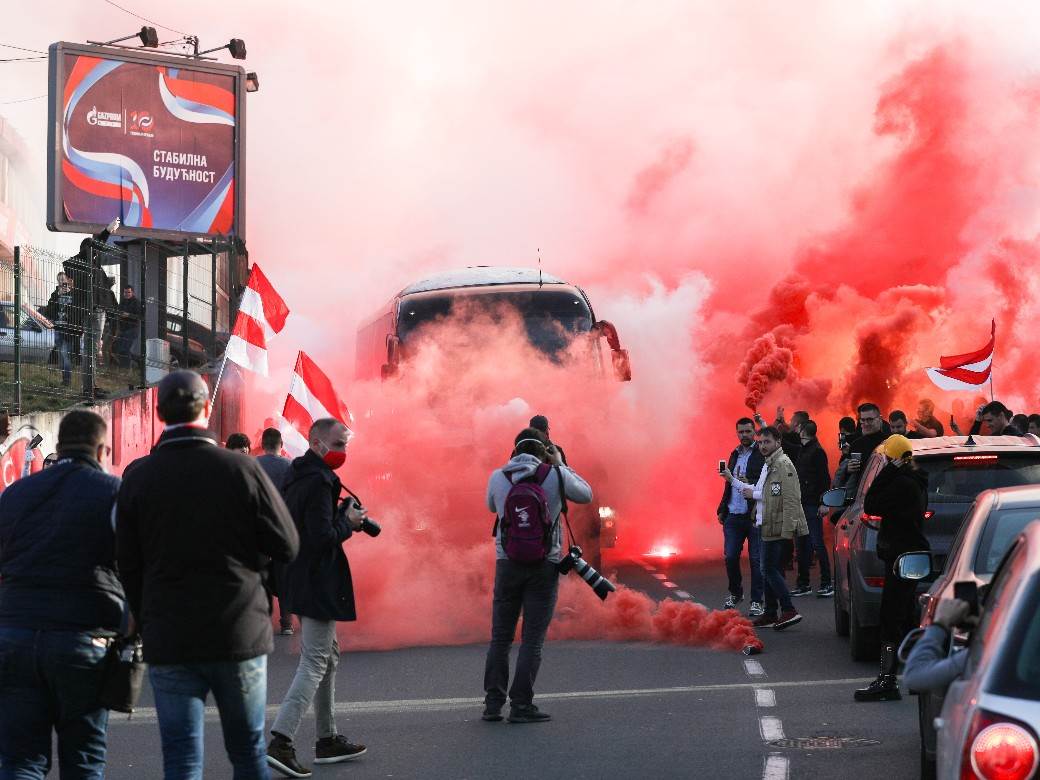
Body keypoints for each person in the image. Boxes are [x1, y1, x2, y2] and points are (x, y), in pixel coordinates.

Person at [116, 370, 300, 779]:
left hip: (170, 633)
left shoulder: (139, 477)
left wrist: (144, 616)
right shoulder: (241, 469)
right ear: (207, 408)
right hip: (238, 630)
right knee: (249, 752)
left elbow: (125, 563)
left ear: (159, 412)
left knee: (181, 759)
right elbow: (287, 543)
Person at [0, 411, 123, 778]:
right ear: (102, 449)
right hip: (83, 638)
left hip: (15, 634)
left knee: (20, 760)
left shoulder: (18, 493)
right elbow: (137, 563)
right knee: (83, 760)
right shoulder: (114, 493)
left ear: (59, 446)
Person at [267, 418, 370, 777]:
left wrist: (340, 517)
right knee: (314, 662)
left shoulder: (299, 474)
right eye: (339, 444)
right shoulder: (316, 480)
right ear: (317, 443)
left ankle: (327, 738)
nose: (344, 451)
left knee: (329, 656)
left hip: (301, 576)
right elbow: (320, 536)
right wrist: (350, 525)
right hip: (316, 578)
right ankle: (281, 739)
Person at [483, 428, 593, 724]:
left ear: (514, 451)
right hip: (544, 565)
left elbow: (491, 507)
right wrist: (561, 464)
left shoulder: (498, 476)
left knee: (500, 638)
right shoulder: (555, 474)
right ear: (545, 450)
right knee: (532, 640)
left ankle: (493, 705)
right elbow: (586, 495)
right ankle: (521, 705)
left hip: (507, 564)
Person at [854, 434, 929, 702]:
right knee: (908, 615)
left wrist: (886, 472)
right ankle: (919, 676)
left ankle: (887, 680)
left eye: (887, 457)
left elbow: (871, 501)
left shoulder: (900, 483)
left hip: (901, 555)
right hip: (912, 554)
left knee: (891, 617)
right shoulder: (918, 480)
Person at [725, 426, 808, 630]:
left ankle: (788, 610)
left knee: (768, 569)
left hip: (775, 525)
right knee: (770, 569)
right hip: (765, 523)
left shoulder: (782, 464)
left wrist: (788, 529)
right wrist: (731, 480)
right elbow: (761, 491)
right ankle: (771, 613)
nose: (762, 446)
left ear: (778, 442)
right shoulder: (769, 463)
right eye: (760, 442)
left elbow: (790, 498)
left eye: (767, 442)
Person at [716, 417, 766, 616]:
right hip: (733, 514)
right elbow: (728, 483)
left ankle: (757, 601)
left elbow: (766, 478)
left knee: (756, 559)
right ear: (736, 433)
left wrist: (749, 481)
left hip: (753, 514)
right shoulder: (734, 453)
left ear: (754, 431)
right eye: (741, 432)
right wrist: (722, 508)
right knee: (730, 557)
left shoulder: (761, 452)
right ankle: (736, 593)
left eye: (747, 431)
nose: (744, 435)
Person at [256, 428, 295, 636]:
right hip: (282, 526)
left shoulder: (253, 465)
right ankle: (286, 623)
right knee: (284, 574)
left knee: (258, 574)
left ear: (263, 444)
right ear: (281, 444)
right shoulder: (290, 467)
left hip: (257, 528)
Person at [791, 420, 833, 597]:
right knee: (802, 545)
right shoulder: (805, 449)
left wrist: (824, 502)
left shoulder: (817, 452)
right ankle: (803, 583)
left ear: (801, 430)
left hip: (812, 504)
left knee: (816, 543)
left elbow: (825, 479)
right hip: (802, 503)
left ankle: (826, 583)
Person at [902, 598, 973, 693]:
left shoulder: (983, 655)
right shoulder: (993, 653)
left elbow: (913, 676)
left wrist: (940, 623)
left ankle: (887, 679)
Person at [838, 403, 887, 497]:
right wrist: (848, 469)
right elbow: (845, 477)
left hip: (884, 496)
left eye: (870, 419)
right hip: (860, 499)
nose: (866, 423)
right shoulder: (856, 444)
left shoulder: (889, 441)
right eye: (863, 420)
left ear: (879, 419)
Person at [43, 274, 82, 388]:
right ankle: (64, 379)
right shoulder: (55, 294)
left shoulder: (74, 294)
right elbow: (49, 310)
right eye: (59, 280)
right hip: (58, 329)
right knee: (61, 355)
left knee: (65, 355)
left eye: (63, 279)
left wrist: (68, 293)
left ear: (68, 280)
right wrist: (57, 296)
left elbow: (77, 312)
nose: (61, 282)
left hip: (68, 330)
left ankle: (67, 380)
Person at [112, 285, 142, 369]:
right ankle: (137, 361)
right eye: (125, 292)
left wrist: (128, 315)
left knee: (124, 349)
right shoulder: (123, 302)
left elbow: (139, 316)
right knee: (118, 348)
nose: (127, 294)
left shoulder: (136, 302)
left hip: (132, 329)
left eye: (129, 292)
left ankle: (126, 368)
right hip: (123, 329)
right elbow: (118, 313)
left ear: (132, 293)